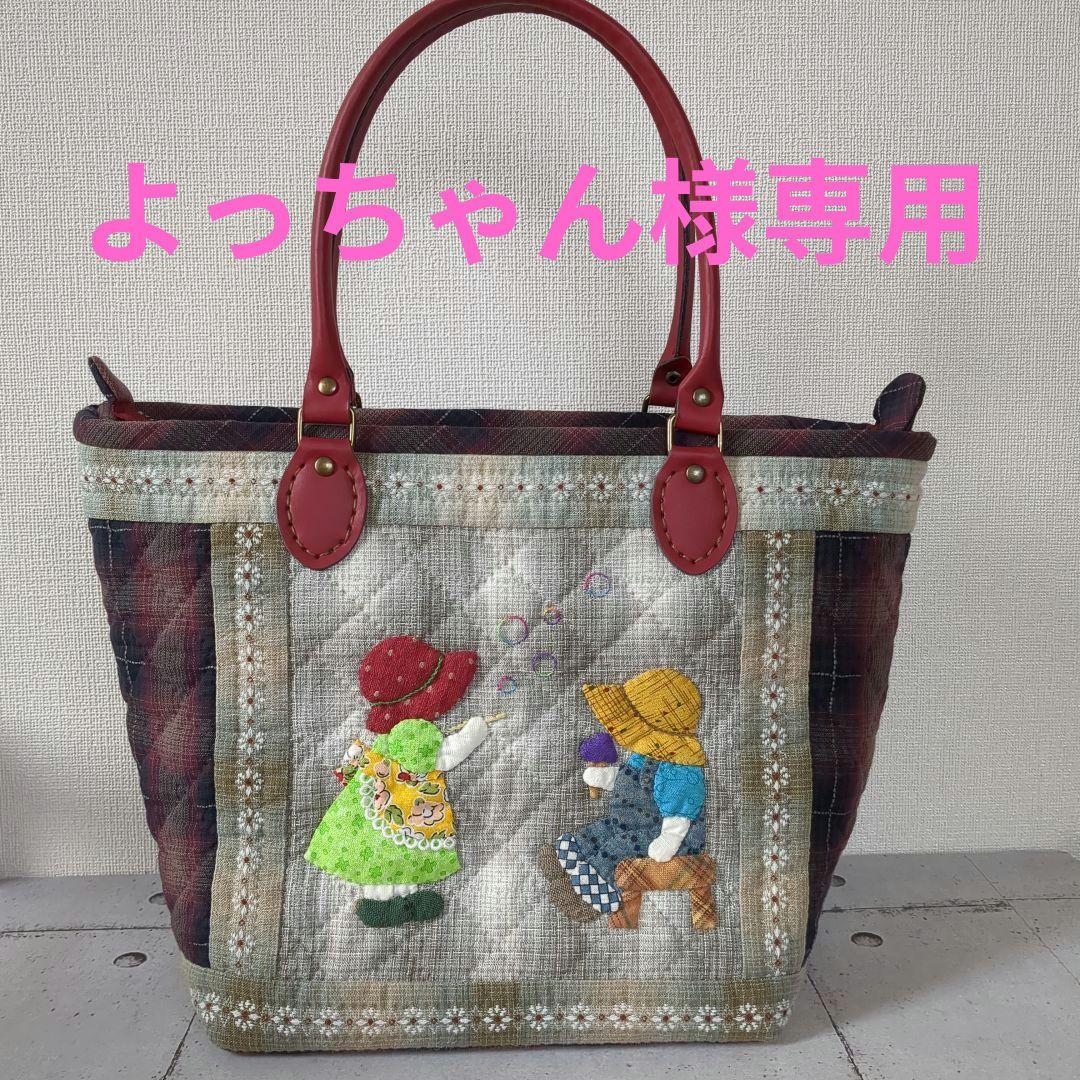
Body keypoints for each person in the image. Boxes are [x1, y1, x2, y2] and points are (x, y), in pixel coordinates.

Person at [539, 668, 707, 921]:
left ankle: (591, 893)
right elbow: (630, 779)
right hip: (629, 821)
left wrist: (669, 839)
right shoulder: (648, 752)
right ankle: (568, 859)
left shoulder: (681, 769)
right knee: (601, 830)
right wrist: (607, 778)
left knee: (620, 847)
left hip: (663, 834)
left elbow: (680, 811)